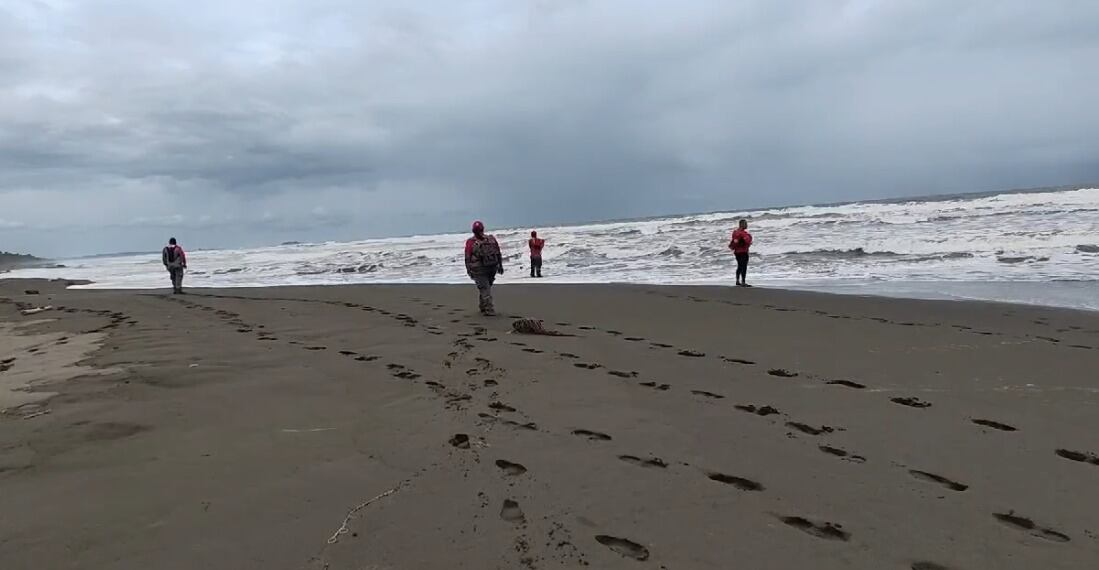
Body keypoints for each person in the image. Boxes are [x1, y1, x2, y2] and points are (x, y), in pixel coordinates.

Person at [464, 221, 504, 315]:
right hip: (492, 266)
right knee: (486, 287)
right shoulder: (491, 239)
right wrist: (500, 266)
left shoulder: (471, 242)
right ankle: (483, 306)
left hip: (478, 268)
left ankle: (489, 309)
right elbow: (498, 253)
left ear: (473, 231)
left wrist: (468, 269)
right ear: (483, 229)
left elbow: (467, 257)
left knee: (484, 288)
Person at [729, 219, 753, 287]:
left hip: (737, 252)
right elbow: (747, 241)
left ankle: (737, 280)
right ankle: (743, 282)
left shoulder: (735, 232)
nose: (747, 225)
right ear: (742, 224)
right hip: (743, 251)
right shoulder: (743, 233)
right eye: (745, 224)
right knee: (744, 266)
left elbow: (734, 241)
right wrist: (749, 242)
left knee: (739, 266)